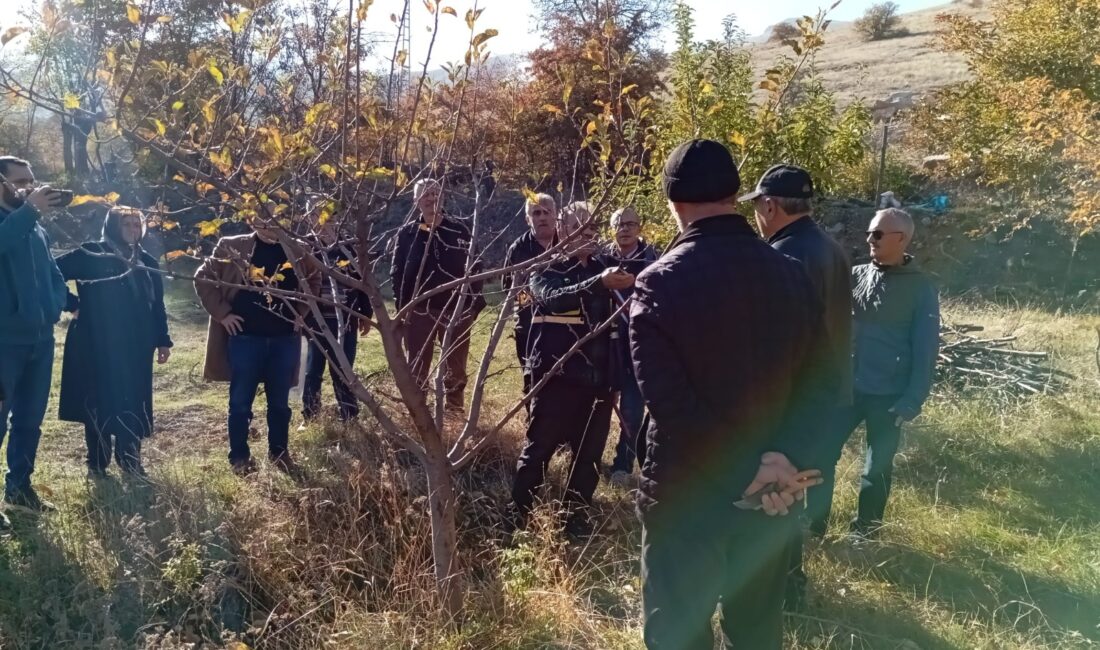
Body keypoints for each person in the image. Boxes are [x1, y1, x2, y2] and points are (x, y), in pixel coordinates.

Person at [630, 140, 827, 649]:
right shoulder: (792, 275)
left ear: (672, 202)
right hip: (771, 499)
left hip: (688, 495)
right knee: (757, 631)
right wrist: (785, 467)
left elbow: (670, 406)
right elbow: (819, 384)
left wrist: (750, 471)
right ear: (738, 195)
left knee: (678, 631)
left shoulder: (658, 284)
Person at [742, 164, 852, 608]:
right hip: (829, 399)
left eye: (757, 206)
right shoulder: (831, 247)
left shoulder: (784, 255)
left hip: (794, 403)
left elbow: (779, 344)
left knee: (774, 504)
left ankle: (780, 595)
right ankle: (789, 588)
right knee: (793, 499)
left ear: (770, 205)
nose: (756, 216)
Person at [510, 201, 635, 537]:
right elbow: (553, 297)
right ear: (564, 230)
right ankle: (518, 519)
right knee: (538, 451)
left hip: (600, 382)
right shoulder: (545, 268)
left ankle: (575, 521)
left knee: (589, 457)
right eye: (583, 228)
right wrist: (598, 283)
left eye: (594, 229)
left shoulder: (610, 266)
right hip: (557, 379)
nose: (590, 235)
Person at [195, 207, 320, 475]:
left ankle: (279, 453)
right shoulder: (232, 247)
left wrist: (302, 314)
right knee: (240, 402)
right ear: (252, 218)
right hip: (245, 339)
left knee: (279, 402)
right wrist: (223, 314)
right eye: (262, 218)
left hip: (284, 338)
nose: (268, 224)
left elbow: (315, 280)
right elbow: (202, 277)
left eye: (274, 217)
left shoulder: (298, 250)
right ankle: (239, 456)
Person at [842, 207, 940, 539]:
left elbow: (926, 347)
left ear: (902, 240)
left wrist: (912, 399)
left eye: (878, 234)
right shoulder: (854, 274)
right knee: (820, 453)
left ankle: (864, 533)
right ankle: (814, 525)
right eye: (870, 232)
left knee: (876, 467)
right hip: (847, 389)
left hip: (888, 394)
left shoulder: (920, 288)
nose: (871, 239)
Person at [55, 207, 173, 479]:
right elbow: (50, 272)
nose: (133, 229)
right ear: (111, 226)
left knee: (132, 398)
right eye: (126, 224)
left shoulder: (145, 260)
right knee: (96, 398)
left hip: (136, 343)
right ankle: (97, 463)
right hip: (95, 339)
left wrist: (162, 340)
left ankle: (130, 460)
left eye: (137, 224)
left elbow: (156, 304)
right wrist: (71, 304)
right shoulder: (92, 253)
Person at [0, 156, 69, 523]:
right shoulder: (19, 221)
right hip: (3, 345)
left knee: (29, 420)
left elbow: (53, 271)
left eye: (32, 179)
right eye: (20, 180)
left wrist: (58, 304)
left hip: (40, 342)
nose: (30, 185)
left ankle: (19, 489)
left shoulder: (35, 227)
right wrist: (28, 211)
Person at [390, 179, 484, 413]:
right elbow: (397, 273)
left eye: (435, 193)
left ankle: (453, 412)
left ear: (443, 197)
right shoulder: (407, 234)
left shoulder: (460, 230)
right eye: (425, 195)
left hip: (457, 310)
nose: (431, 198)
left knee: (456, 366)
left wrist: (470, 305)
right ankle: (419, 415)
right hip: (420, 311)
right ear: (416, 201)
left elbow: (477, 267)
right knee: (417, 366)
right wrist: (403, 309)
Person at [605, 206, 659, 485]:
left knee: (632, 409)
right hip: (606, 346)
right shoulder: (601, 259)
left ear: (640, 227)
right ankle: (585, 459)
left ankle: (623, 465)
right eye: (618, 224)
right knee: (600, 406)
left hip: (640, 346)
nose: (624, 229)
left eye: (630, 223)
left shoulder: (655, 259)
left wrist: (637, 281)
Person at [301, 216, 372, 426]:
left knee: (344, 370)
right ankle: (311, 417)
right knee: (312, 371)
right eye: (316, 215)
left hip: (346, 320)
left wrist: (365, 314)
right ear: (309, 219)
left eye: (329, 216)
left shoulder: (348, 247)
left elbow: (362, 281)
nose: (323, 221)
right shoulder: (303, 247)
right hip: (314, 321)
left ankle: (349, 417)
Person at [502, 193, 558, 398]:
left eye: (547, 212)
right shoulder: (518, 249)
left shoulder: (568, 243)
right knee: (531, 378)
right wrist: (534, 303)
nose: (542, 217)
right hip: (529, 325)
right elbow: (511, 289)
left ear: (556, 215)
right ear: (528, 219)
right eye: (536, 213)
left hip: (564, 323)